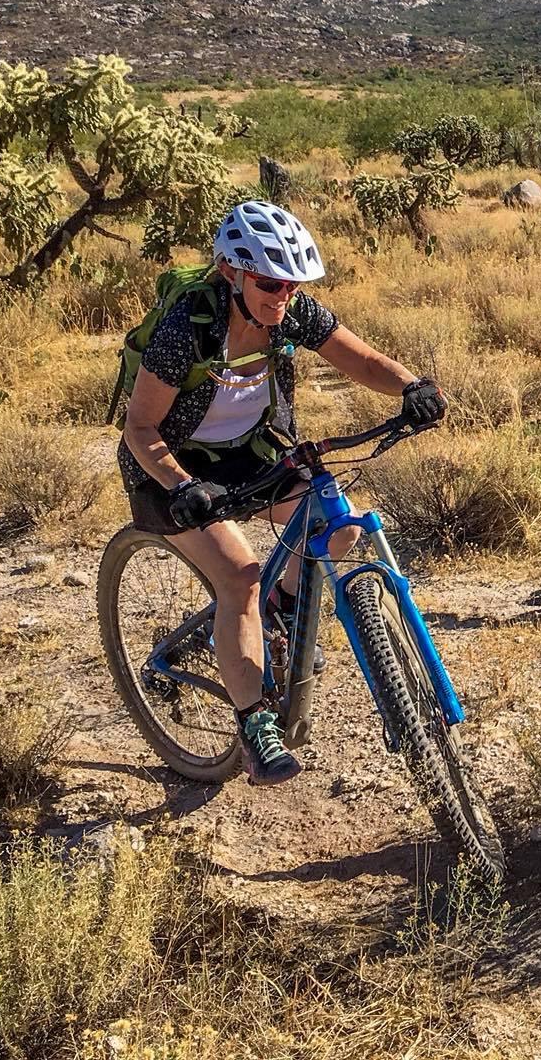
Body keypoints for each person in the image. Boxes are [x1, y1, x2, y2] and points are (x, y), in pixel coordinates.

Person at [119, 199, 446, 784]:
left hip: (251, 453)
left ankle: (280, 612)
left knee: (338, 525)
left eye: (292, 285)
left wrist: (411, 388)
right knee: (240, 576)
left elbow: (362, 359)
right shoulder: (186, 329)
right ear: (232, 273)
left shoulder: (290, 312)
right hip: (171, 467)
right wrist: (182, 485)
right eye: (270, 282)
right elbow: (139, 429)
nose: (283, 296)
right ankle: (254, 725)